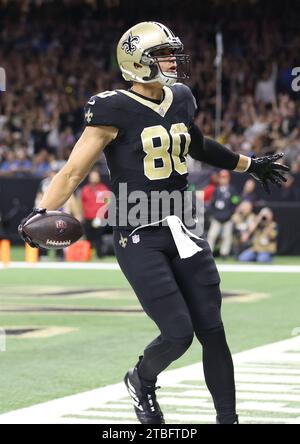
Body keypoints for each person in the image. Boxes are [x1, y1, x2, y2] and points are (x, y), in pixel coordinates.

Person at [19, 22, 289, 424]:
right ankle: (141, 379)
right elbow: (75, 171)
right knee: (178, 332)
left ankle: (228, 420)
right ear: (136, 63)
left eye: (173, 53)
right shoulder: (112, 107)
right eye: (163, 54)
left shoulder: (180, 97)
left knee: (213, 330)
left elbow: (195, 143)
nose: (173, 62)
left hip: (183, 227)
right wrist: (42, 212)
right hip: (138, 232)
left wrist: (248, 165)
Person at [207, 170, 239, 259]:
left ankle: (224, 253)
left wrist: (231, 213)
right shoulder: (216, 190)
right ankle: (209, 252)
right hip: (217, 217)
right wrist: (214, 213)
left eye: (225, 178)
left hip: (227, 217)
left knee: (227, 236)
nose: (223, 180)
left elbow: (235, 201)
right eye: (222, 178)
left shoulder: (232, 190)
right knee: (212, 235)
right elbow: (211, 203)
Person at [81, 169, 111, 258]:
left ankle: (100, 255)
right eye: (92, 176)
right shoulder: (85, 189)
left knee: (98, 237)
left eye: (95, 176)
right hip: (87, 217)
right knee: (88, 237)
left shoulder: (103, 189)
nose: (94, 178)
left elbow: (108, 203)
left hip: (99, 218)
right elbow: (82, 203)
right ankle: (87, 255)